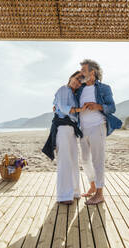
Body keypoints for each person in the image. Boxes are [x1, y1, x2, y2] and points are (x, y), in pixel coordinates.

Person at [75, 59, 122, 205]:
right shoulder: (80, 89)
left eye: (84, 70)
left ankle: (100, 194)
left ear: (92, 72)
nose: (81, 73)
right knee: (84, 159)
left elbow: (112, 107)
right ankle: (93, 186)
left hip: (98, 126)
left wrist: (98, 106)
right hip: (83, 128)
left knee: (97, 160)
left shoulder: (104, 88)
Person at [42, 71, 86, 205]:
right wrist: (80, 110)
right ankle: (64, 195)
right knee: (64, 161)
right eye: (76, 78)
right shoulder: (63, 89)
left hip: (71, 129)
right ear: (71, 77)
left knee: (73, 160)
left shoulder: (73, 94)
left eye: (80, 82)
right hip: (62, 128)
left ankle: (74, 191)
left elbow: (57, 106)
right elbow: (63, 108)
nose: (77, 82)